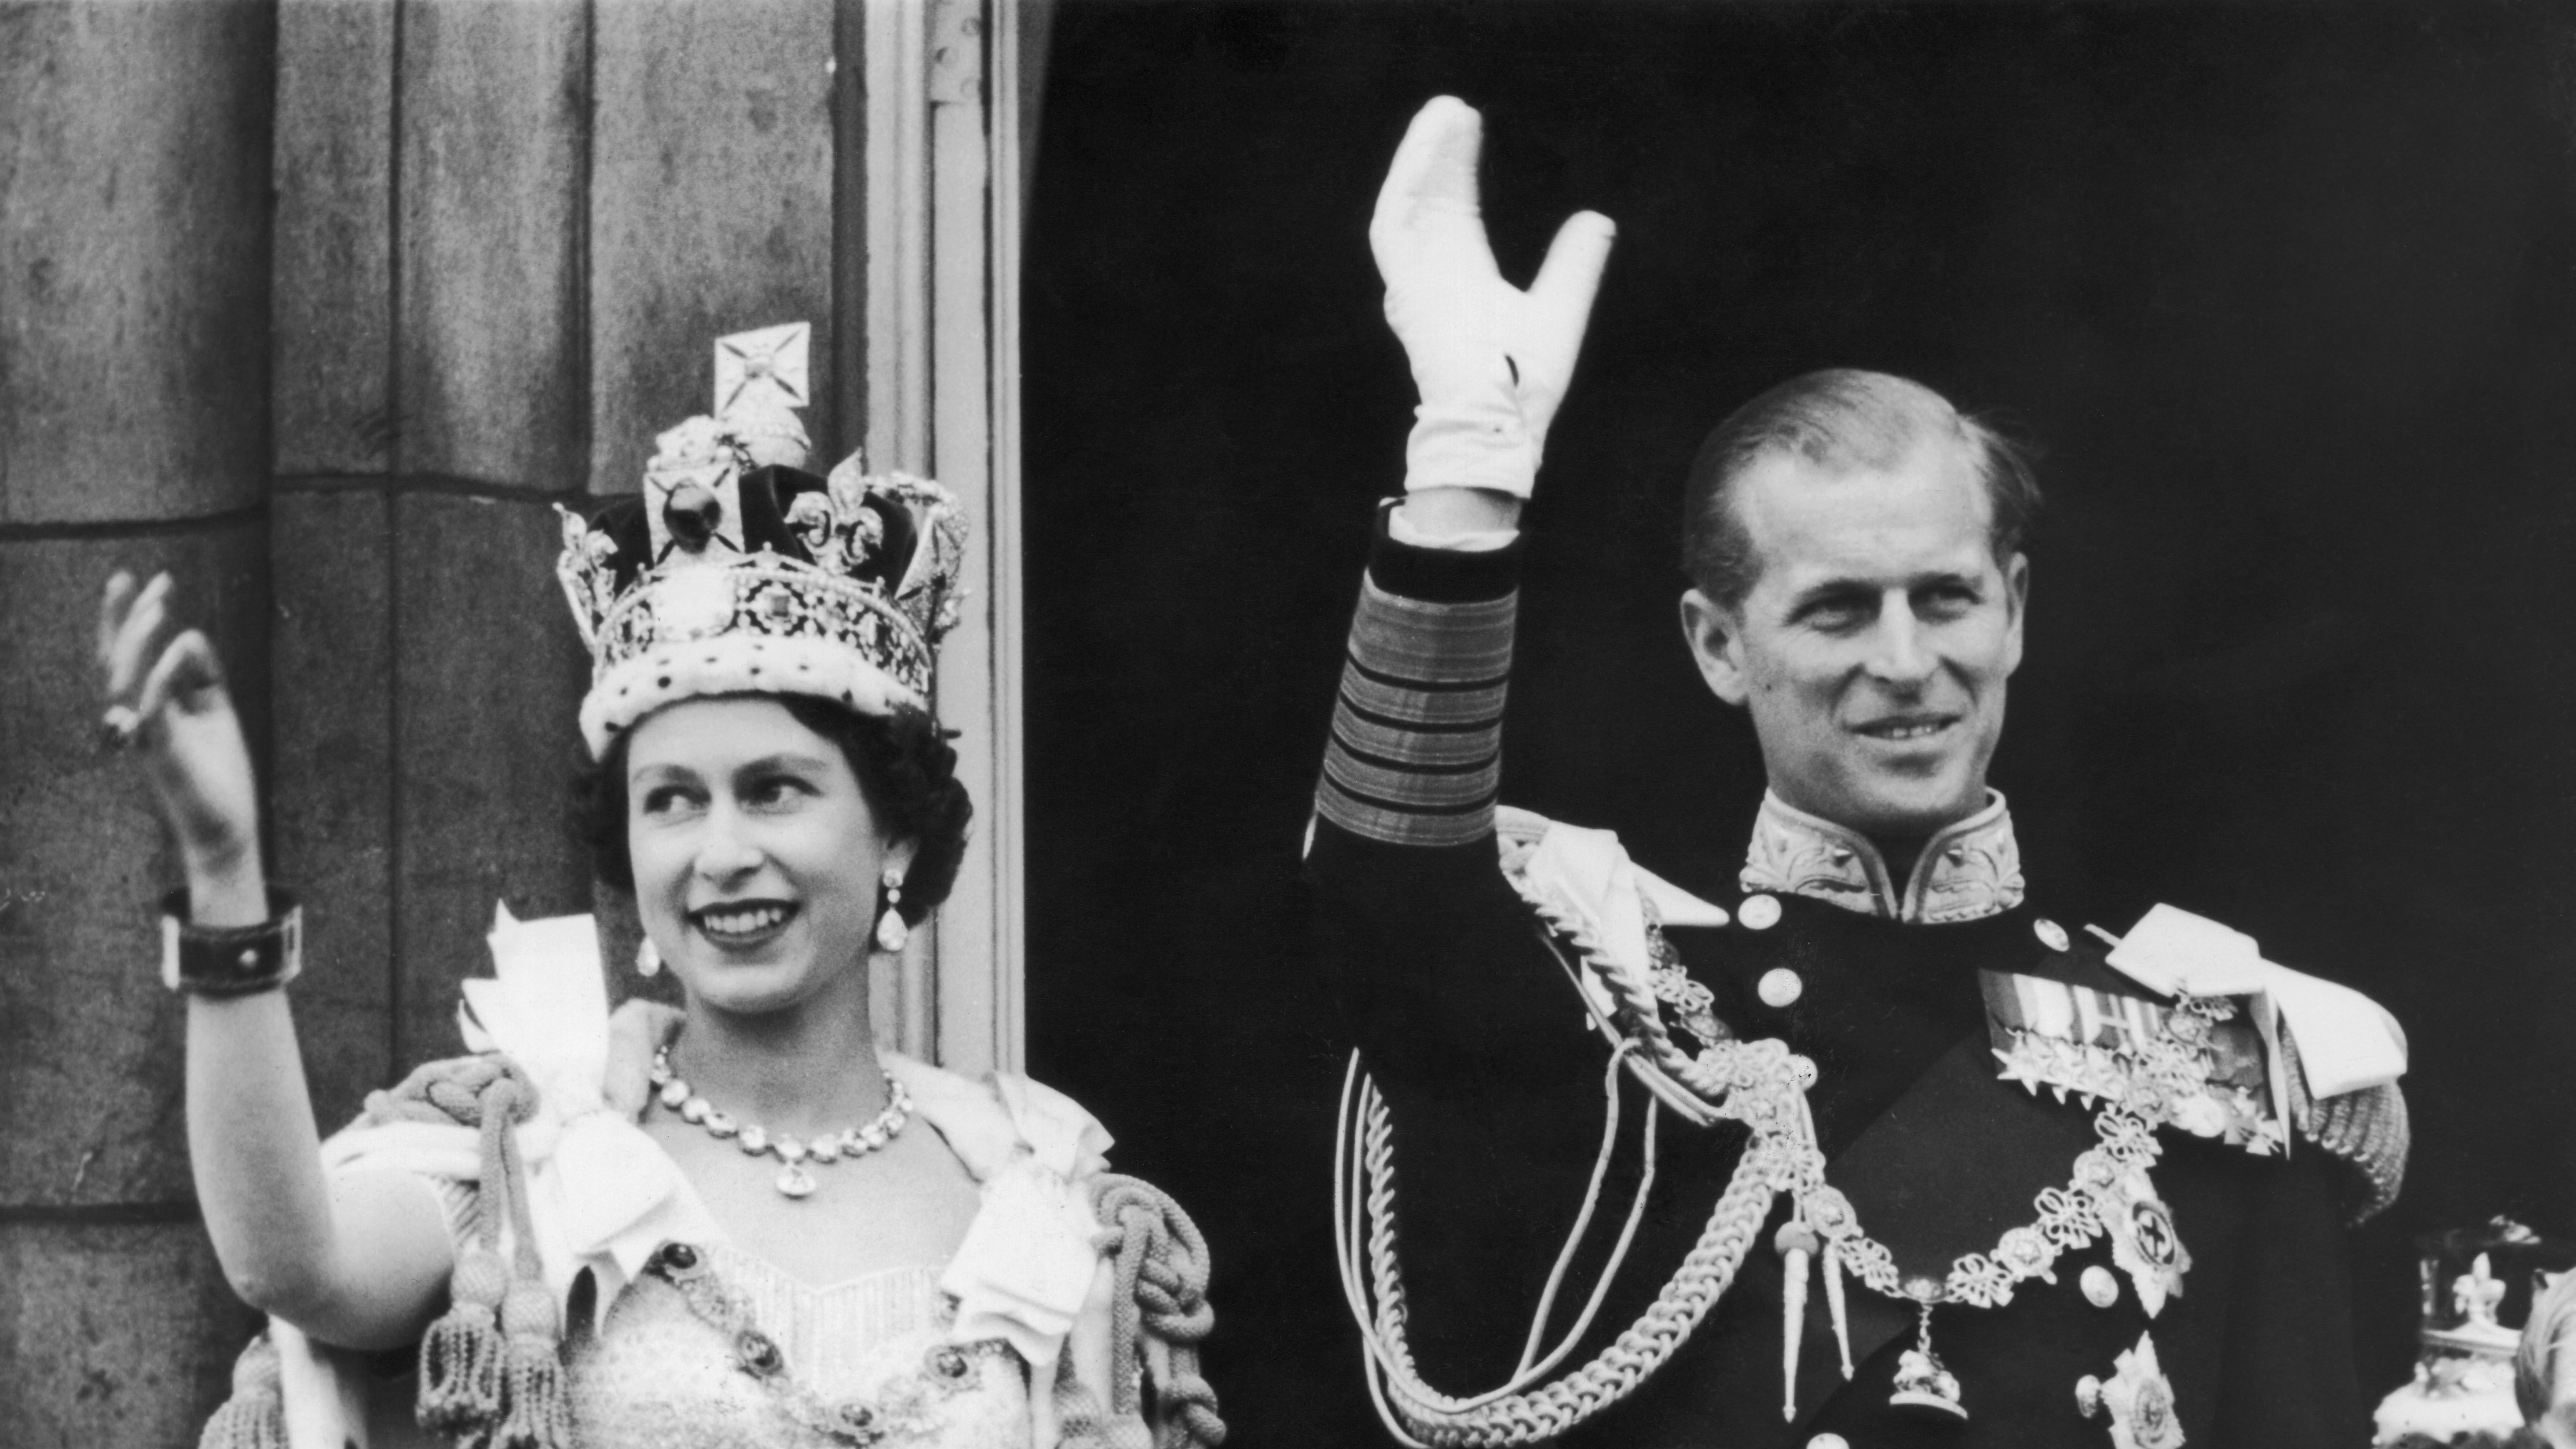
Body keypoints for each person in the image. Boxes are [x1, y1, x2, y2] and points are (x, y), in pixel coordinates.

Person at [1310, 97, 2410, 1449]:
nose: (1906, 662)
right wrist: (1469, 469)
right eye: (1837, 610)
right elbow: (1389, 906)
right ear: (1719, 647)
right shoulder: (1630, 1021)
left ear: (2013, 610)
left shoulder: (2218, 1059)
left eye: (1945, 599)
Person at [101, 327, 1222, 1449]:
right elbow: (293, 1263)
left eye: (775, 790)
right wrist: (223, 871)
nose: (720, 850)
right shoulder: (533, 1165)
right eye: (672, 800)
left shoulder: (1037, 1198)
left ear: (893, 837)